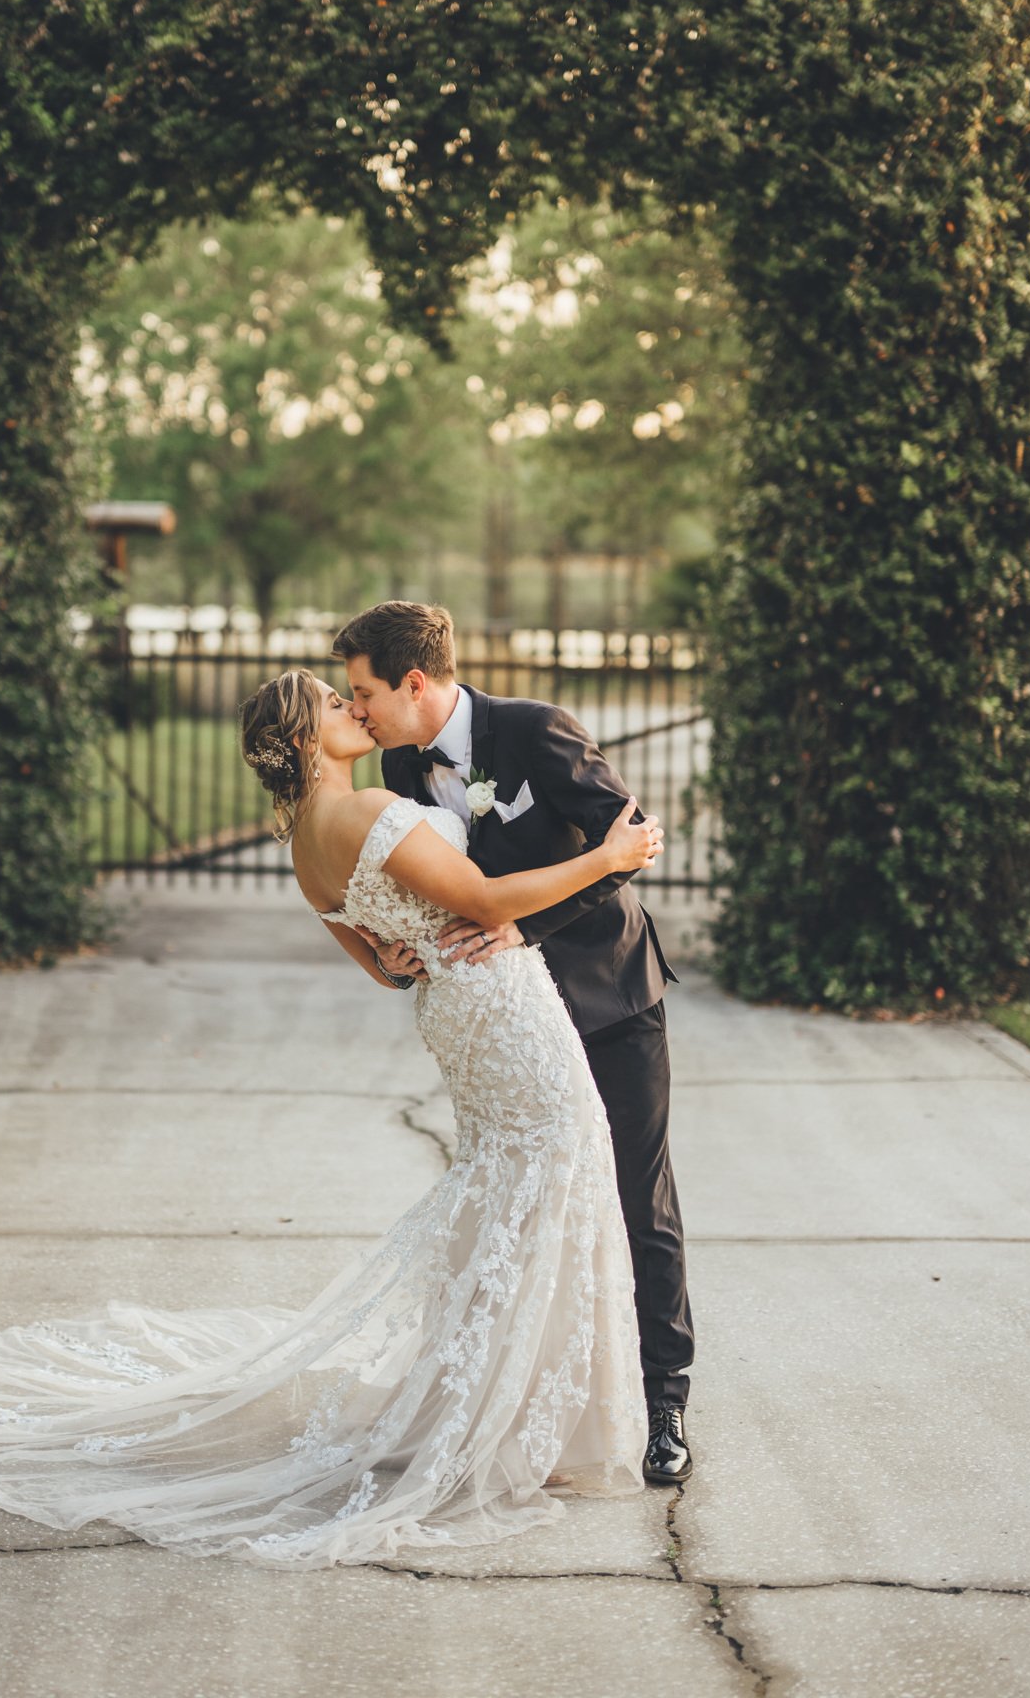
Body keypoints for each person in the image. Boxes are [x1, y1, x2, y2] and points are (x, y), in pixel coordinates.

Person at [0, 666, 664, 1569]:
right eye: (335, 704)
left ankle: (506, 1404)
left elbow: (381, 967)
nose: (354, 709)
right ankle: (522, 1417)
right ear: (307, 738)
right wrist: (606, 861)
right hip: (499, 1005)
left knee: (509, 1184)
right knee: (554, 1164)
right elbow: (483, 904)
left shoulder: (305, 837)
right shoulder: (361, 815)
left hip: (455, 1009)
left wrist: (412, 946)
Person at [331, 600, 694, 1485]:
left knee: (636, 1197)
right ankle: (539, 1401)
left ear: (414, 683)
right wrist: (402, 945)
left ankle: (664, 1403)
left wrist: (523, 928)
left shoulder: (535, 732)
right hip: (510, 1021)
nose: (359, 709)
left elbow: (630, 844)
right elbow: (438, 885)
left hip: (607, 997)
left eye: (364, 691)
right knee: (533, 1203)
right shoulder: (395, 762)